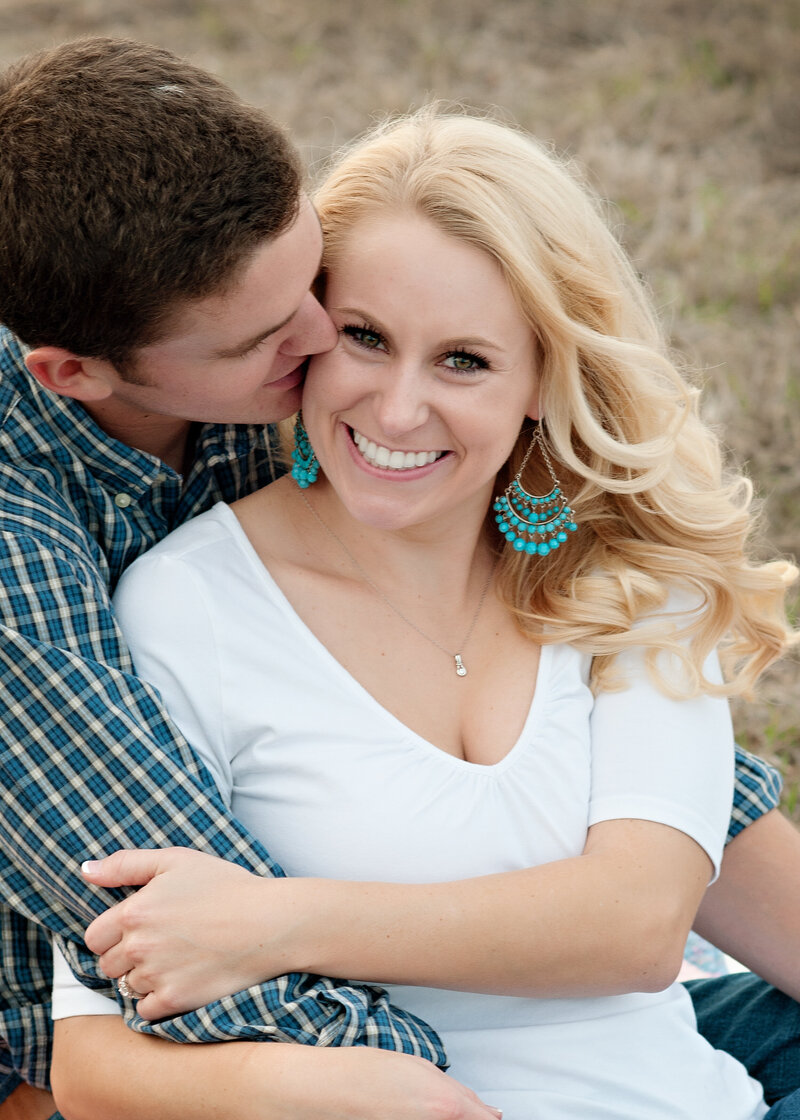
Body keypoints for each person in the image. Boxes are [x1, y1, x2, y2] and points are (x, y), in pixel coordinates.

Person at [0, 34, 795, 1120]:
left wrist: (282, 918)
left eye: (462, 358)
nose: (385, 399)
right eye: (357, 336)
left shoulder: (603, 564)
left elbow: (650, 905)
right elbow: (109, 1015)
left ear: (543, 381)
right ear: (78, 374)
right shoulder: (141, 593)